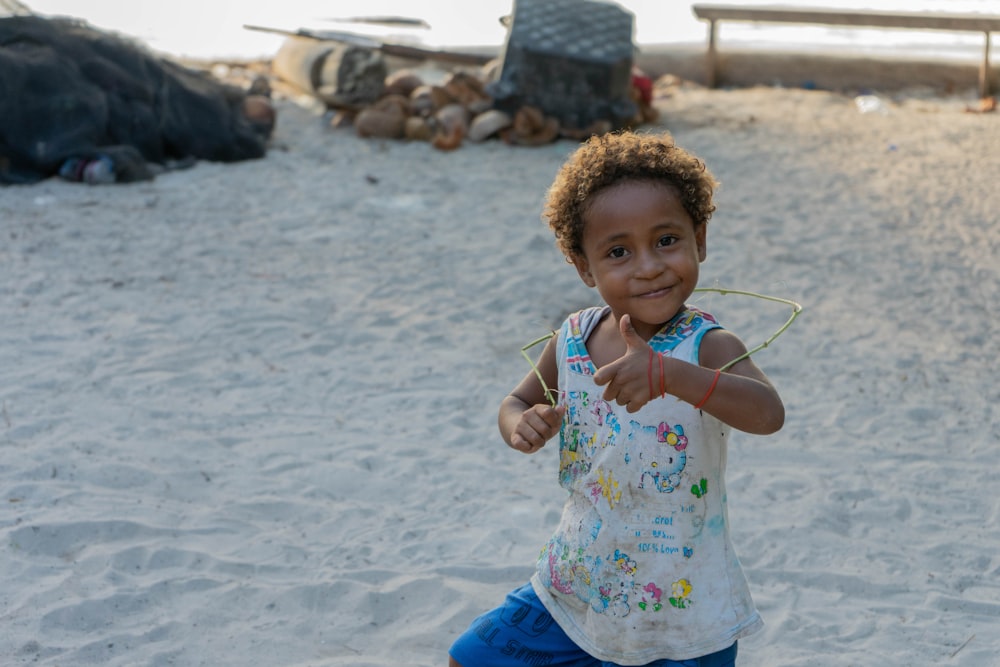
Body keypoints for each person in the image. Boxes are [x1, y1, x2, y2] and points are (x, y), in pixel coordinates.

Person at [448, 131, 785, 667]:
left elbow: (768, 414)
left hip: (679, 599)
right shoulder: (574, 338)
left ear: (700, 238)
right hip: (576, 582)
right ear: (584, 267)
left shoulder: (707, 345)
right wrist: (521, 423)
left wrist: (672, 375)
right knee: (471, 658)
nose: (648, 265)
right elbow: (515, 401)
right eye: (619, 252)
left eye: (667, 240)